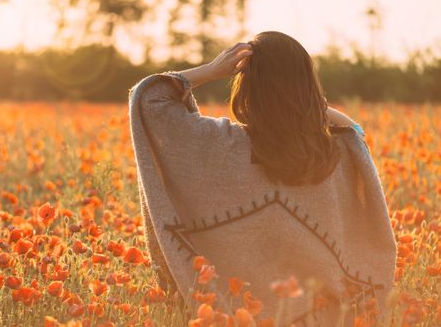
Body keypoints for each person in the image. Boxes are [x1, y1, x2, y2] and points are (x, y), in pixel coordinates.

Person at [128, 31, 397, 326]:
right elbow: (355, 132)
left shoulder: (222, 145)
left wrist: (211, 70)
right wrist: (307, 106)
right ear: (309, 84)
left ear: (248, 86)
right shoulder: (337, 154)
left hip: (238, 317)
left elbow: (150, 99)